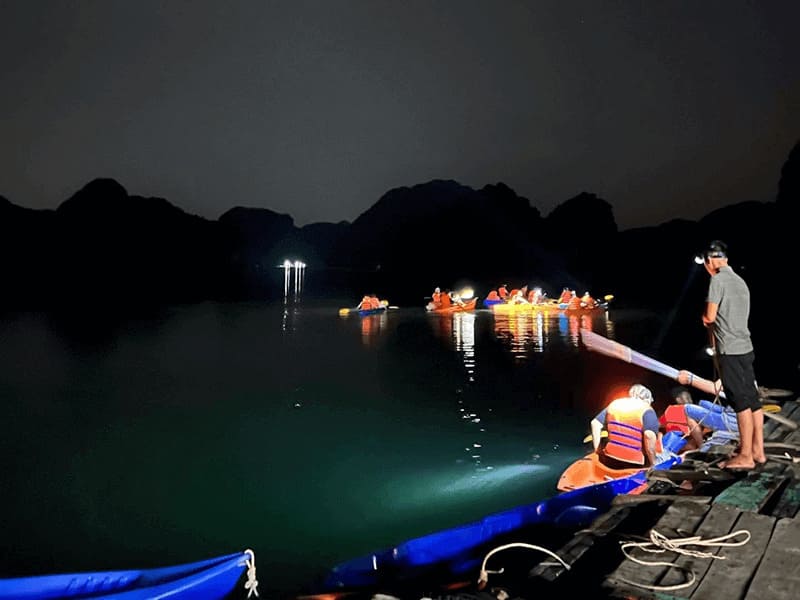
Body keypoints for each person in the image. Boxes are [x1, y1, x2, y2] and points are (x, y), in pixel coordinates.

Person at [695, 240, 764, 470]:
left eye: (705, 263)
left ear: (710, 261)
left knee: (740, 401)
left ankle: (745, 456)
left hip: (730, 351)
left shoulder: (717, 280)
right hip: (746, 347)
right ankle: (757, 450)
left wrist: (704, 318)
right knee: (752, 399)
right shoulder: (739, 281)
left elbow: (710, 317)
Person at [590, 384, 662, 468]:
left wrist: (597, 450)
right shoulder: (647, 410)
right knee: (660, 457)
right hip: (633, 462)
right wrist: (653, 463)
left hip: (609, 457)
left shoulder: (615, 404)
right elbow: (649, 435)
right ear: (647, 400)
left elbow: (595, 423)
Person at [659, 386, 705, 451]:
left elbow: (657, 425)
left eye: (690, 397)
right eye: (687, 397)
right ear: (678, 400)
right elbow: (694, 426)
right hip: (687, 444)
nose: (690, 400)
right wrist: (701, 446)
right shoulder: (688, 410)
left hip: (671, 447)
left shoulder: (669, 410)